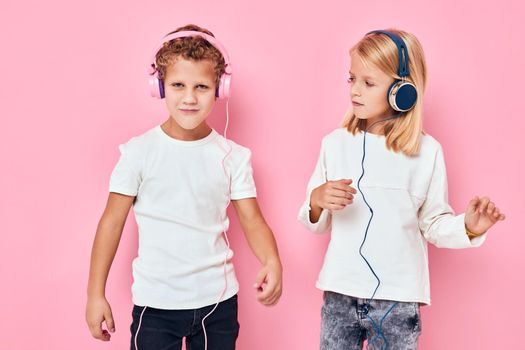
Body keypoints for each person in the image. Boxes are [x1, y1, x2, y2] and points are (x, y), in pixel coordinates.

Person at [298, 29, 505, 350]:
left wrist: (469, 227)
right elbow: (314, 220)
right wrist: (317, 200)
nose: (355, 90)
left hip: (398, 301)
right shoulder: (335, 144)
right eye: (351, 79)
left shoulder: (427, 152)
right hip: (340, 291)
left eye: (368, 83)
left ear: (402, 91)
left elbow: (433, 223)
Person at [86, 24, 282, 350]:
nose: (189, 98)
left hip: (217, 304)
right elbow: (111, 222)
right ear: (159, 86)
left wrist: (272, 260)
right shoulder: (138, 153)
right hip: (155, 305)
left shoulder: (233, 157)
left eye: (202, 86)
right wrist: (95, 294)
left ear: (221, 88)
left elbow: (253, 220)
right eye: (178, 85)